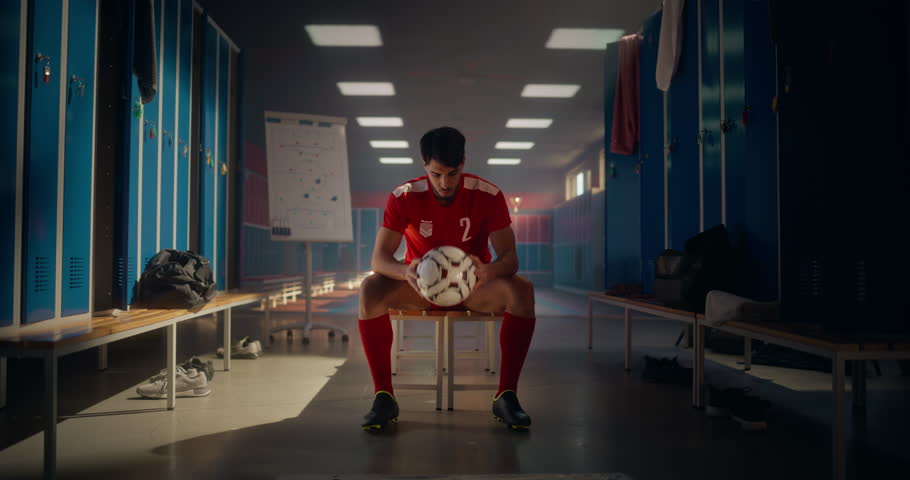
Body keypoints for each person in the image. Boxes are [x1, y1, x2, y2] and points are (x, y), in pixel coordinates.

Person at [358, 126, 536, 431]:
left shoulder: (487, 195)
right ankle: (384, 396)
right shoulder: (404, 196)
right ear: (424, 164)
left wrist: (488, 271)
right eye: (437, 173)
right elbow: (378, 259)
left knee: (522, 291)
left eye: (452, 174)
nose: (444, 183)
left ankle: (506, 395)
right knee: (370, 288)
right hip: (419, 286)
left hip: (474, 287)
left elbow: (510, 258)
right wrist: (405, 271)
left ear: (463, 164)